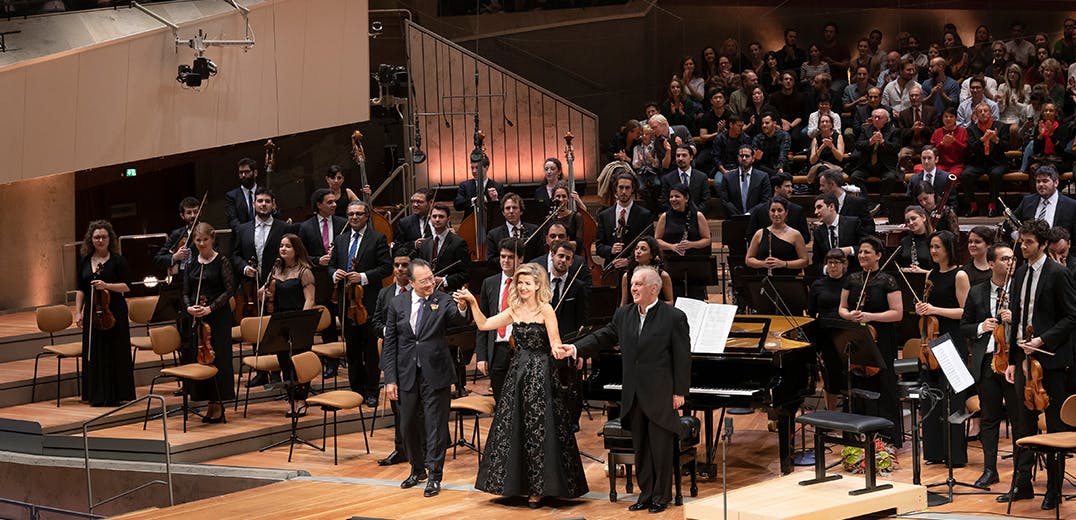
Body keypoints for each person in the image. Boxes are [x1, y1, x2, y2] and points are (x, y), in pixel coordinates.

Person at [455, 263, 588, 508]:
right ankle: (517, 486)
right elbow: (485, 325)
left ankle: (540, 489)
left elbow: (554, 343)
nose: (522, 287)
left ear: (538, 285)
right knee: (516, 428)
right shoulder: (514, 309)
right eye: (520, 283)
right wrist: (473, 303)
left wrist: (564, 351)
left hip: (541, 375)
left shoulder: (546, 309)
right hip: (518, 373)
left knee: (541, 429)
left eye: (527, 283)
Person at [559, 266, 691, 514]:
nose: (633, 288)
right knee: (641, 447)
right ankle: (646, 493)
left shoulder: (673, 317)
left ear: (654, 288)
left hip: (661, 393)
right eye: (632, 284)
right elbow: (602, 337)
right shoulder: (624, 314)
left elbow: (682, 357)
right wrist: (576, 348)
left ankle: (662, 496)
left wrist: (679, 392)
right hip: (634, 393)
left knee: (661, 449)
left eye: (639, 284)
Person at [999, 219, 1076, 510]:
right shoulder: (1020, 272)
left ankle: (1054, 489)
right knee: (1022, 424)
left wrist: (1042, 340)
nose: (1023, 246)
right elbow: (1018, 317)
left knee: (1054, 427)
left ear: (1043, 245)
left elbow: (1071, 316)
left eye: (1029, 242)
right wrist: (1012, 360)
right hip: (1022, 360)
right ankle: (1022, 485)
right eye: (1022, 241)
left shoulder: (1058, 273)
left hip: (1051, 362)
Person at [383, 258, 471, 498]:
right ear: (411, 283)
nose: (430, 284)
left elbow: (459, 317)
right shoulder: (396, 303)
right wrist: (390, 379)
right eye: (423, 281)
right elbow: (390, 343)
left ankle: (434, 475)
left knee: (435, 425)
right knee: (407, 423)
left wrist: (463, 306)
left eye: (431, 278)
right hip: (406, 374)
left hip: (436, 372)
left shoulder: (442, 299)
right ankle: (417, 469)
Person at [959, 242, 1018, 490]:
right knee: (989, 419)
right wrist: (981, 327)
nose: (1010, 263)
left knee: (1019, 420)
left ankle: (1020, 475)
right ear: (991, 264)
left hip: (1014, 365)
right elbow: (964, 326)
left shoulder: (1021, 291)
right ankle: (989, 470)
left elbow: (1036, 322)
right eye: (1005, 259)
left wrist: (1013, 320)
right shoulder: (977, 292)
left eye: (1012, 259)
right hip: (987, 363)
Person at [837, 236, 903, 443]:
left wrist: (870, 317)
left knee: (883, 385)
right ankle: (855, 436)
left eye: (867, 252)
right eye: (860, 252)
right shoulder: (852, 279)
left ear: (878, 256)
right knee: (856, 383)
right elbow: (842, 308)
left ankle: (885, 438)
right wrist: (849, 316)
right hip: (858, 339)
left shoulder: (887, 280)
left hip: (881, 339)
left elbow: (897, 313)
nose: (862, 255)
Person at [916, 230, 971, 467]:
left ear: (949, 248)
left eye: (938, 246)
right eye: (931, 247)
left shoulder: (960, 275)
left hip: (951, 338)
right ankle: (934, 452)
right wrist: (922, 310)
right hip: (931, 341)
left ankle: (954, 455)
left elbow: (965, 312)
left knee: (952, 397)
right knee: (931, 396)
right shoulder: (931, 273)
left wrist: (934, 310)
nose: (934, 251)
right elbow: (927, 305)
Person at [329, 200, 392, 406]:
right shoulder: (340, 240)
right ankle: (356, 389)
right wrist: (334, 273)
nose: (354, 217)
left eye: (358, 214)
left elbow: (386, 268)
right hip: (346, 303)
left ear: (366, 216)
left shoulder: (377, 239)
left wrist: (363, 277)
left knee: (371, 350)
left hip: (369, 303)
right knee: (353, 350)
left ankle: (372, 390)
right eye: (351, 214)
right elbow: (330, 266)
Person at [370, 245, 421, 467]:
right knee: (397, 407)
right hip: (393, 358)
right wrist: (388, 332)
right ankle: (401, 449)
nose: (400, 269)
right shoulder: (385, 293)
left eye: (405, 265)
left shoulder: (419, 293)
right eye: (397, 265)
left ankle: (421, 450)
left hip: (414, 357)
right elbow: (375, 322)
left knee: (416, 408)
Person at [75, 220, 135, 407]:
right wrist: (78, 312)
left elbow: (127, 286)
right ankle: (97, 394)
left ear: (110, 239)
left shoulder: (118, 260)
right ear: (90, 240)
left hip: (113, 311)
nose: (100, 240)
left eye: (103, 237)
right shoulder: (85, 261)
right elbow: (81, 289)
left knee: (114, 350)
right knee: (95, 351)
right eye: (96, 237)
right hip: (92, 312)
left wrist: (106, 285)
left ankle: (116, 394)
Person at [182, 223, 235, 423]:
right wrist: (189, 307)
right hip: (197, 318)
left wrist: (210, 308)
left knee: (218, 358)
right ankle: (207, 402)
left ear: (212, 239)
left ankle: (218, 403)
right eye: (198, 240)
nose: (202, 244)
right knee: (200, 358)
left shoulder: (222, 261)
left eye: (205, 240)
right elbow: (186, 292)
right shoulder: (191, 263)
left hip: (217, 316)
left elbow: (229, 290)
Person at [262, 233, 316, 415]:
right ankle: (292, 398)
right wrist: (263, 292)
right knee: (284, 362)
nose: (283, 249)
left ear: (296, 250)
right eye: (281, 245)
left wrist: (302, 324)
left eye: (288, 246)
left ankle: (301, 399)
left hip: (298, 320)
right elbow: (264, 295)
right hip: (280, 321)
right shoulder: (276, 270)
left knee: (298, 362)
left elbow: (310, 300)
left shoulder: (304, 271)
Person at [297, 188, 347, 355]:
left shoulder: (343, 223)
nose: (334, 204)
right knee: (324, 318)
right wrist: (318, 260)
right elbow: (301, 256)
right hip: (318, 278)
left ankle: (336, 357)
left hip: (339, 277)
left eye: (335, 201)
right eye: (329, 202)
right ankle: (322, 358)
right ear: (319, 205)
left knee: (339, 315)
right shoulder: (305, 227)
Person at [475, 238, 524, 401]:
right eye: (503, 256)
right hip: (497, 348)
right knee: (500, 398)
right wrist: (481, 356)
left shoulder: (527, 284)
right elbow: (483, 320)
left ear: (520, 259)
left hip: (519, 347)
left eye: (510, 257)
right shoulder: (489, 283)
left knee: (519, 397)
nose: (506, 260)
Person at [808, 248, 850, 410]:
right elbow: (811, 312)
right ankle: (831, 412)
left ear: (844, 264)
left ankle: (848, 412)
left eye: (836, 262)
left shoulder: (850, 283)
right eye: (830, 263)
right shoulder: (818, 284)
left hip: (845, 333)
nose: (833, 266)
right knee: (830, 375)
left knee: (847, 375)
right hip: (825, 334)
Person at [655, 183, 711, 301]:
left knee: (695, 299)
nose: (673, 200)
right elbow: (656, 240)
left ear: (686, 198)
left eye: (677, 196)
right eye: (671, 197)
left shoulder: (697, 215)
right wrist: (672, 247)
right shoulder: (665, 217)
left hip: (693, 264)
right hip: (671, 264)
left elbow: (707, 240)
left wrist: (691, 244)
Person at [596, 172, 653, 287]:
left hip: (636, 271)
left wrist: (630, 261)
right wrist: (610, 249)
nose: (623, 191)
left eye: (627, 188)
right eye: (620, 187)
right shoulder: (604, 215)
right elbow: (599, 247)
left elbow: (650, 246)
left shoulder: (644, 215)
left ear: (633, 190)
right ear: (615, 189)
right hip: (611, 271)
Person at [962, 103, 1010, 217]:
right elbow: (969, 150)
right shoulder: (971, 130)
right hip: (978, 163)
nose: (983, 113)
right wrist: (982, 140)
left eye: (986, 111)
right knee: (965, 174)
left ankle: (992, 206)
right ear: (976, 115)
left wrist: (996, 140)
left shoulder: (1001, 126)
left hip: (997, 162)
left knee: (995, 173)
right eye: (980, 111)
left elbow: (1008, 147)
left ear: (990, 113)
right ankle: (972, 206)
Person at [850, 108, 902, 207]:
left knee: (890, 177)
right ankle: (868, 205)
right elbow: (858, 145)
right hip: (867, 165)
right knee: (855, 176)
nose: (877, 119)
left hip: (885, 166)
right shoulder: (865, 129)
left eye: (880, 117)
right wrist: (870, 142)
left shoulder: (894, 131)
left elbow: (896, 148)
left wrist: (883, 142)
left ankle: (881, 205)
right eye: (875, 117)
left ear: (886, 120)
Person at [745, 197, 809, 276]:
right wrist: (763, 263)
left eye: (780, 210)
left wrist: (784, 264)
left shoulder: (795, 234)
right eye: (773, 210)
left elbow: (805, 261)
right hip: (764, 280)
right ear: (768, 212)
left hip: (788, 280)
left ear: (786, 212)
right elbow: (748, 259)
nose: (776, 214)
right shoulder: (759, 233)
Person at [418, 204, 471, 292]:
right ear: (430, 219)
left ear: (448, 219)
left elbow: (466, 274)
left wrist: (444, 281)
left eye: (441, 217)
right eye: (434, 216)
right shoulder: (425, 243)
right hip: (427, 292)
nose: (437, 220)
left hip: (449, 292)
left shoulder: (458, 243)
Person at [748, 172, 809, 243]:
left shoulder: (797, 210)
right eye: (787, 186)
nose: (791, 190)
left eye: (791, 186)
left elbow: (805, 237)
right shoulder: (759, 210)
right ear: (776, 188)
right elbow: (750, 236)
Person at [811, 193, 865, 272]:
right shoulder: (818, 232)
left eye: (819, 207)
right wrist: (827, 269)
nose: (815, 212)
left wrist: (850, 250)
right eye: (815, 208)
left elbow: (866, 248)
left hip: (853, 276)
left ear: (831, 206)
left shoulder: (853, 223)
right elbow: (816, 263)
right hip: (830, 279)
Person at [485, 193, 540, 263]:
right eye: (508, 208)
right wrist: (510, 260)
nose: (511, 211)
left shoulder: (534, 230)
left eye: (514, 208)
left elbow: (539, 256)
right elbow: (491, 260)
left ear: (521, 211)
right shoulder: (493, 235)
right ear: (503, 212)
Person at [818, 168, 875, 235]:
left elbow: (869, 228)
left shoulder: (857, 203)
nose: (820, 189)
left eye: (822, 185)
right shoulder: (823, 204)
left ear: (832, 185)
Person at [154, 196, 200, 277]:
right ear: (182, 216)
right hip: (183, 277)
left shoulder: (208, 232)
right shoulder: (177, 234)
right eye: (189, 213)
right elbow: (158, 259)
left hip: (202, 276)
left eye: (196, 212)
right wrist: (175, 257)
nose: (193, 215)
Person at [720, 144, 772, 216]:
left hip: (756, 219)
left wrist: (749, 213)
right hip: (734, 219)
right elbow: (725, 201)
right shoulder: (728, 177)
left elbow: (765, 201)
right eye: (741, 156)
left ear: (753, 158)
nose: (744, 158)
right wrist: (739, 216)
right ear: (738, 157)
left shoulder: (763, 177)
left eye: (747, 156)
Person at [659, 145, 710, 212]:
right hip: (675, 218)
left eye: (684, 155)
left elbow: (706, 200)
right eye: (678, 155)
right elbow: (664, 201)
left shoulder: (702, 177)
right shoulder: (667, 179)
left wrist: (695, 213)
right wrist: (677, 214)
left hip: (696, 217)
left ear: (691, 157)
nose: (680, 158)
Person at [453, 153, 504, 218]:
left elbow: (502, 209)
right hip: (469, 223)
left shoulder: (497, 186)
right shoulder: (465, 186)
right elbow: (457, 205)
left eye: (477, 168)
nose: (474, 171)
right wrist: (474, 201)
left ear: (486, 168)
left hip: (490, 224)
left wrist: (495, 200)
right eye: (472, 168)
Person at [224, 158, 261, 230]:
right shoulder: (231, 196)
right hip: (241, 236)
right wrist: (246, 233)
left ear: (255, 173)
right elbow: (232, 220)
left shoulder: (264, 192)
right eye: (241, 172)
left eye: (247, 172)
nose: (243, 175)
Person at [898, 205, 936, 273]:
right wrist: (903, 270)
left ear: (923, 217)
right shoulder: (904, 241)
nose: (911, 223)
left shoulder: (935, 240)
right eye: (907, 221)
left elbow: (943, 271)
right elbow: (896, 267)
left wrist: (923, 272)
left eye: (913, 218)